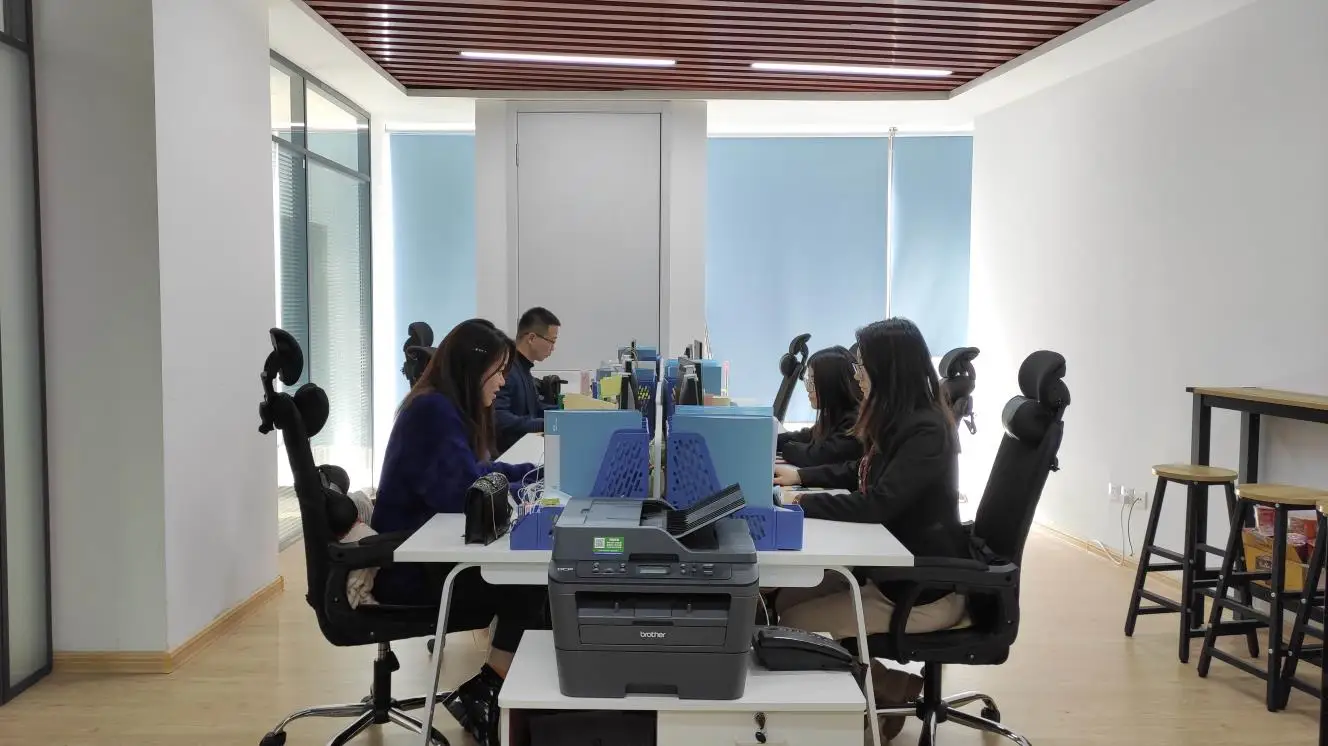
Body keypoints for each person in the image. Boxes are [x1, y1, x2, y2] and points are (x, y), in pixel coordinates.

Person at [772, 318, 970, 738]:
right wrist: (802, 478)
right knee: (784, 595)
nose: (857, 376)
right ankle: (879, 685)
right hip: (895, 573)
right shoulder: (902, 420)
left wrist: (801, 503)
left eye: (862, 366)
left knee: (792, 620)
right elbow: (859, 471)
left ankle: (887, 686)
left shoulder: (925, 431)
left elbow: (879, 501)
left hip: (922, 589)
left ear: (887, 370)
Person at [371, 318, 548, 746]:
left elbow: (475, 472)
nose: (503, 382)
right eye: (498, 371)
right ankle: (488, 694)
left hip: (423, 550)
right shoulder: (433, 411)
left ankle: (501, 694)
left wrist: (532, 474)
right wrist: (530, 489)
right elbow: (462, 493)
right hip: (409, 567)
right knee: (530, 582)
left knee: (533, 579)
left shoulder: (440, 407)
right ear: (473, 369)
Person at [776, 346, 862, 468]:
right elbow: (808, 435)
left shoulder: (853, 422)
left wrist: (786, 448)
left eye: (813, 382)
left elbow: (817, 456)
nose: (808, 389)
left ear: (831, 384)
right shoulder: (834, 413)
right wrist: (771, 440)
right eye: (808, 381)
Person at [494, 307, 561, 453]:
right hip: (508, 454)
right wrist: (545, 424)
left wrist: (566, 414)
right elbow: (499, 418)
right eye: (551, 341)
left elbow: (535, 408)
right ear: (531, 338)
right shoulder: (507, 369)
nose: (553, 348)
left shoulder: (523, 369)